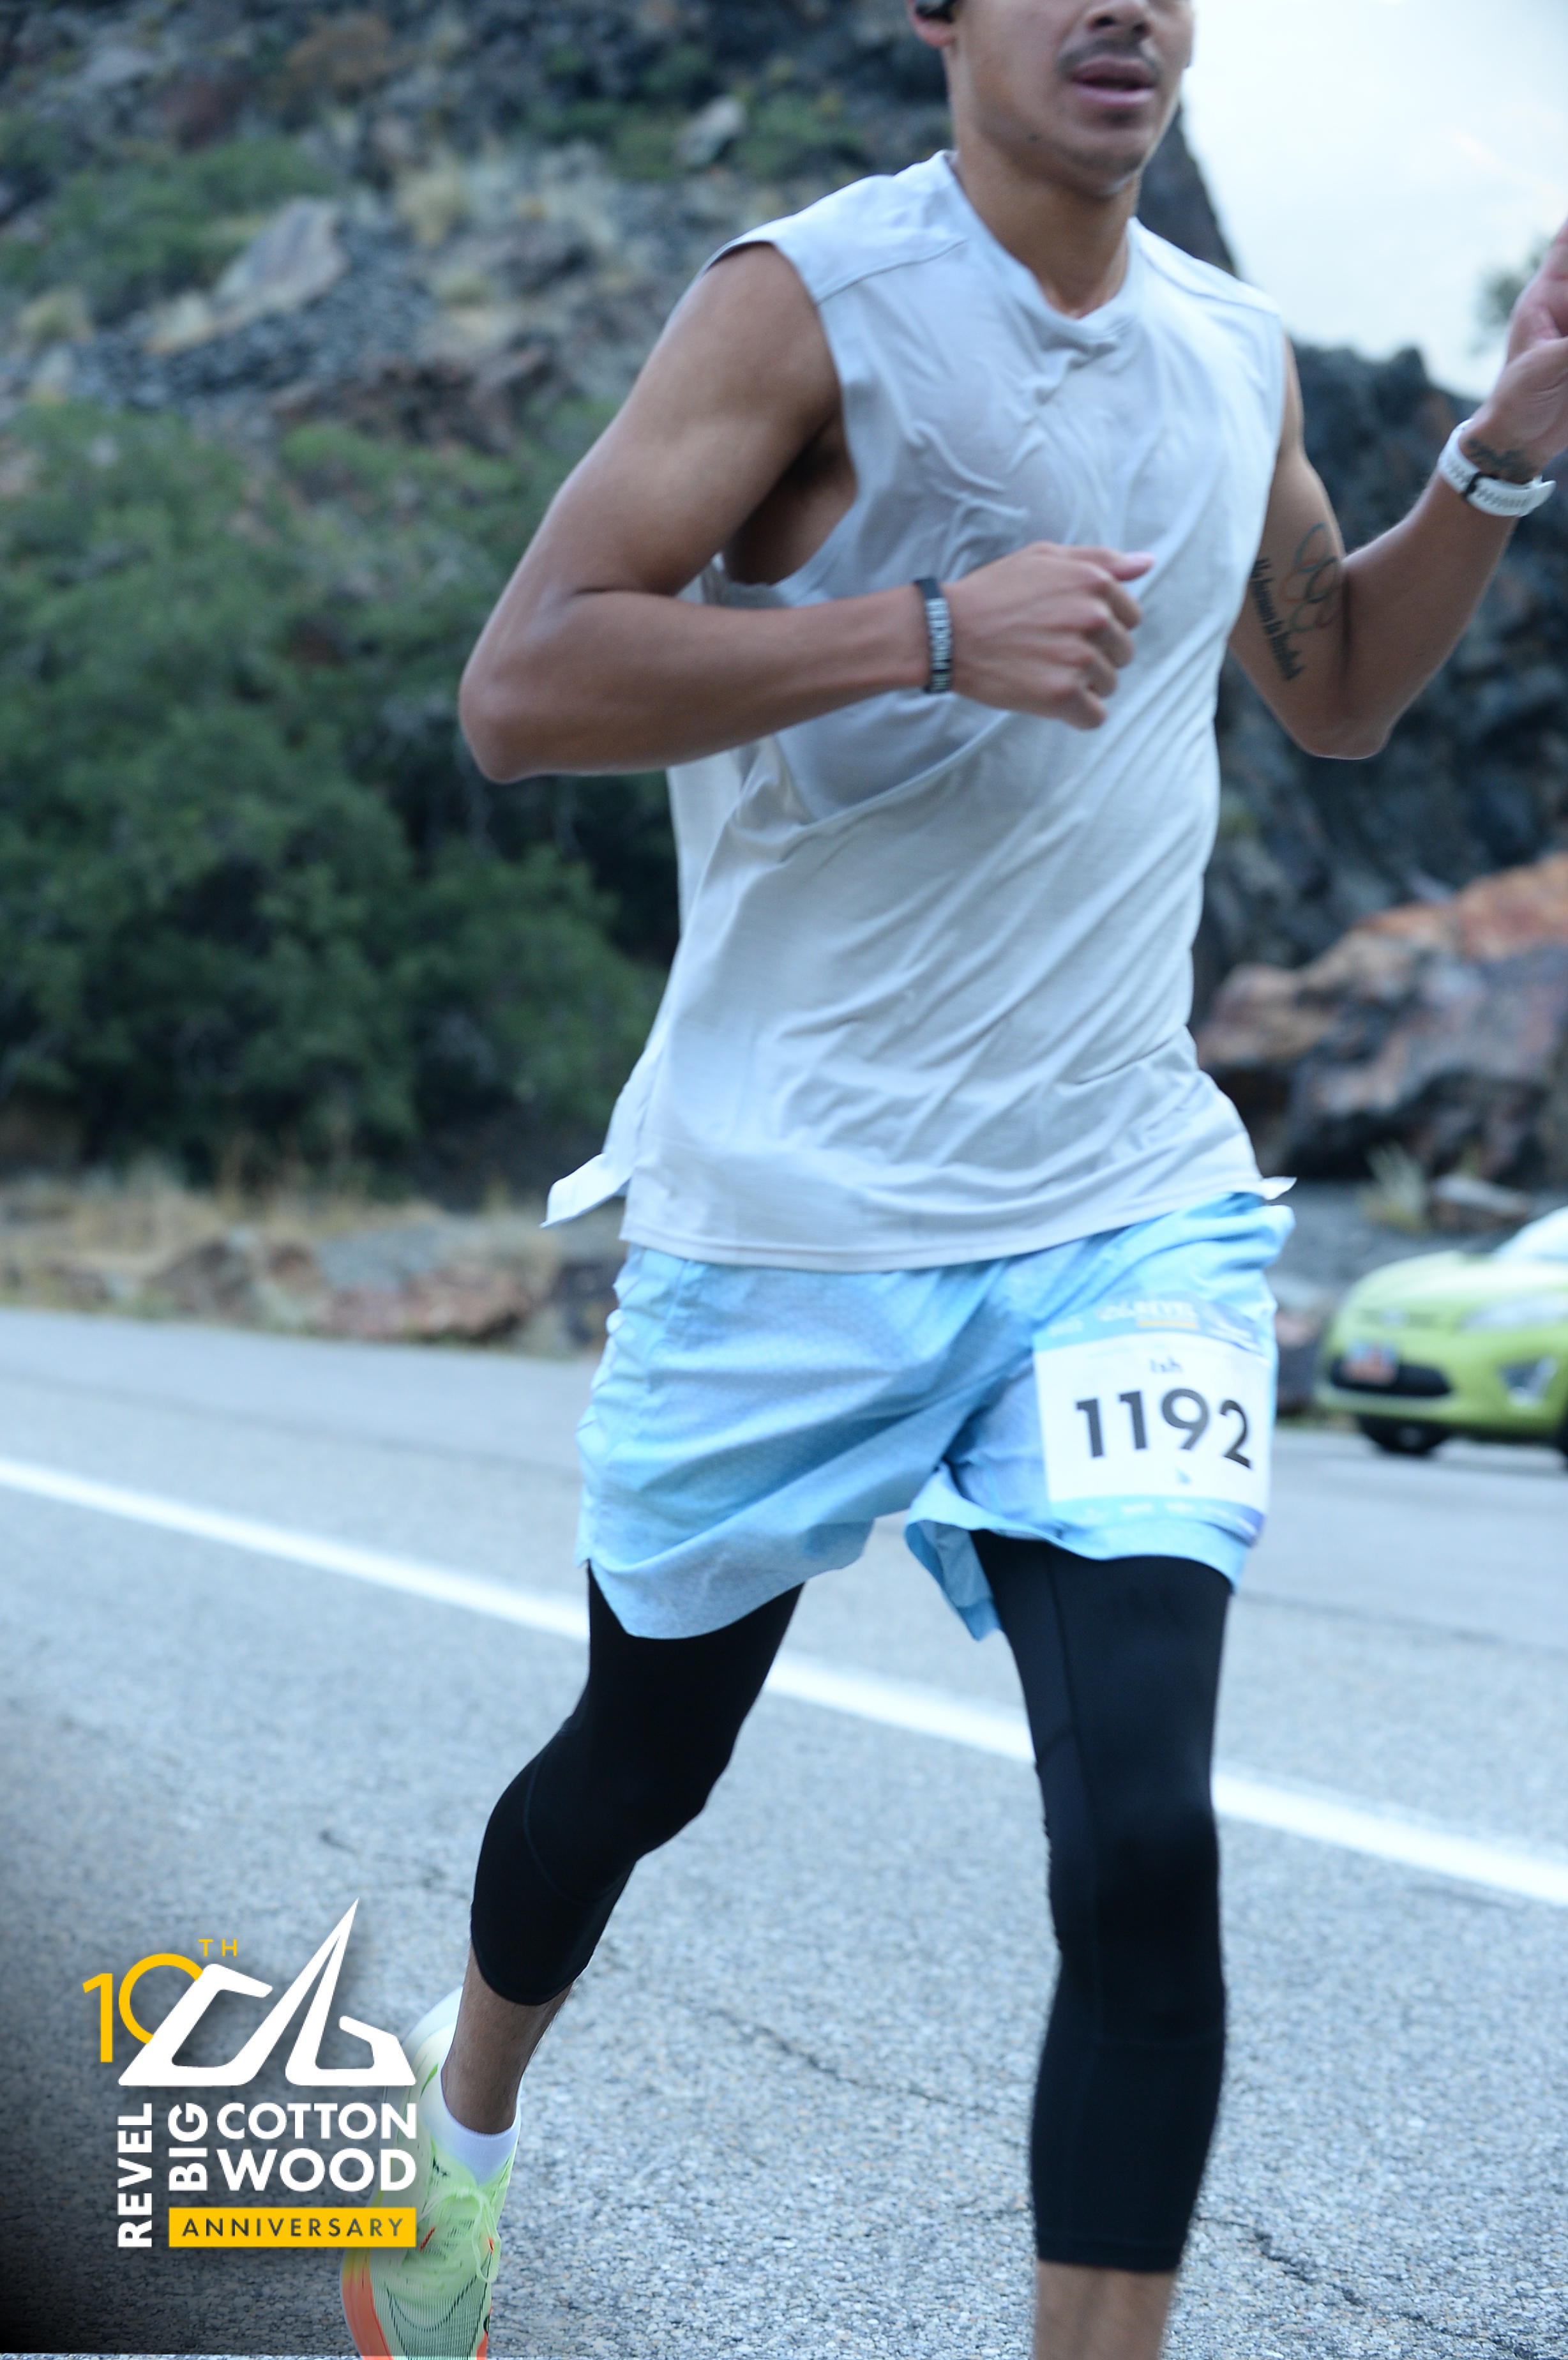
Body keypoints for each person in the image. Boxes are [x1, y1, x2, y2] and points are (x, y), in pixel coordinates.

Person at [343, 3, 1568, 2354]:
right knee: (636, 1767)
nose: (1128, 9)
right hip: (790, 1216)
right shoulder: (806, 304)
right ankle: (458, 2125)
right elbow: (525, 688)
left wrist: (1497, 463)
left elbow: (1334, 690)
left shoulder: (1230, 348)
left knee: (1145, 1848)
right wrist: (923, 631)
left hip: (1120, 1209)